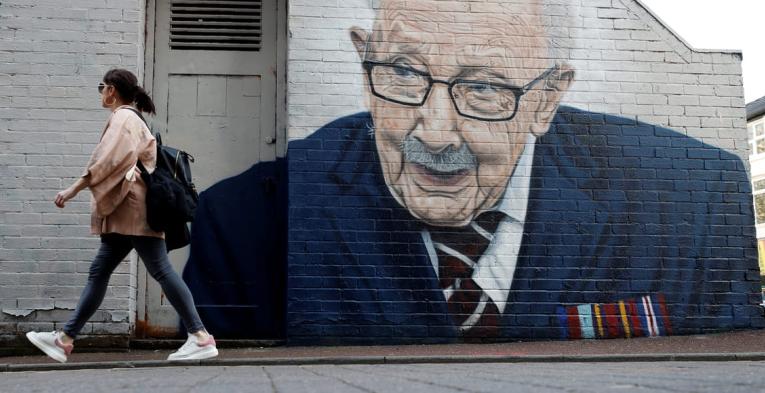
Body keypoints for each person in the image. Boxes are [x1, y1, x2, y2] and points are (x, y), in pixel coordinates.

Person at [184, 0, 763, 342]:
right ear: (366, 66)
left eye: (483, 87)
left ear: (545, 100)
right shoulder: (244, 220)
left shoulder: (699, 196)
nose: (434, 131)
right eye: (405, 74)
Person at [25, 69, 218, 362]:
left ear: (112, 90)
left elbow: (108, 160)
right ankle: (65, 339)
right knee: (101, 271)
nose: (101, 91)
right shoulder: (130, 118)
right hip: (128, 210)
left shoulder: (124, 118)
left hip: (132, 209)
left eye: (102, 86)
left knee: (160, 269)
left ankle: (200, 336)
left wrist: (74, 188)